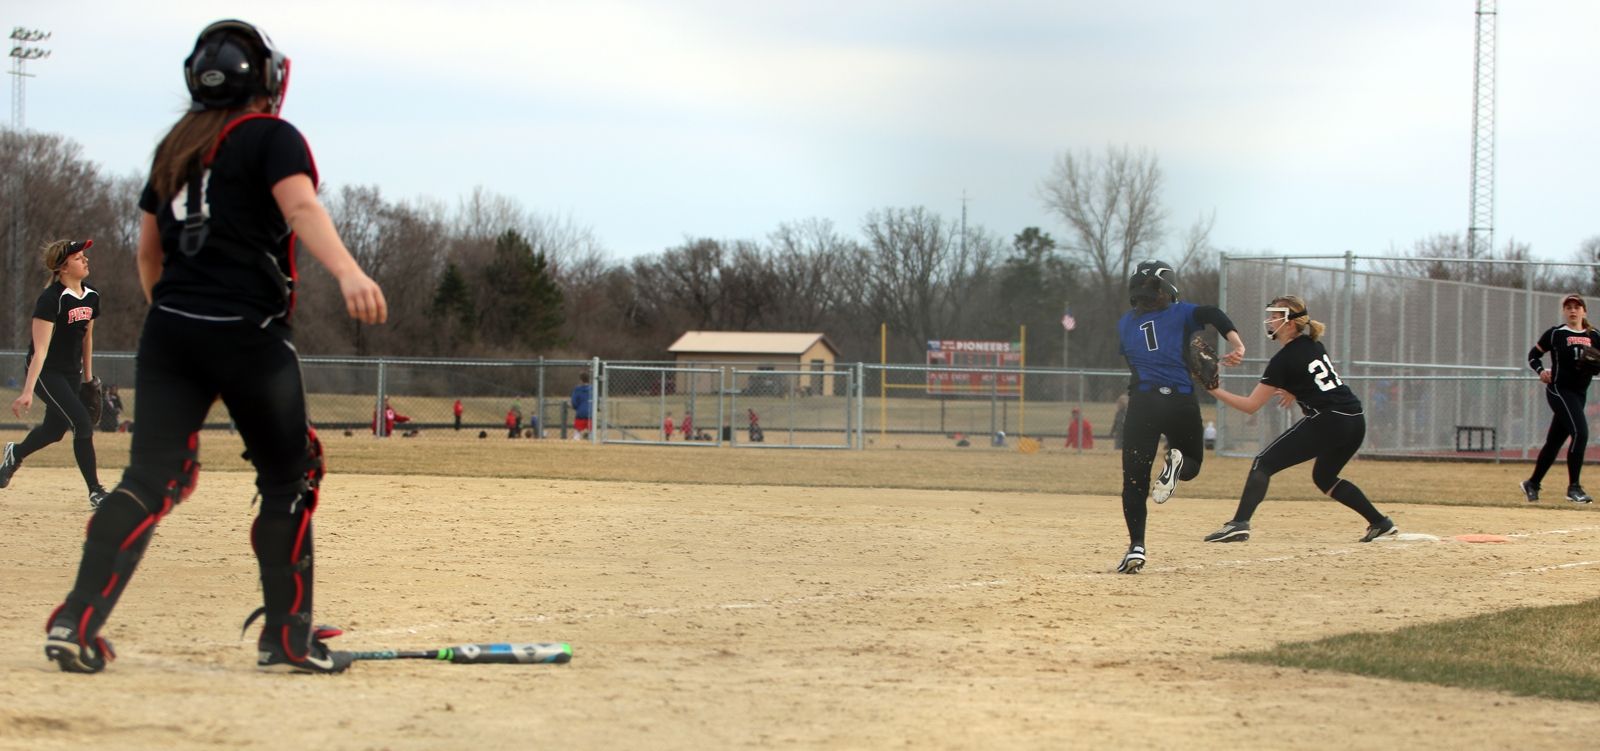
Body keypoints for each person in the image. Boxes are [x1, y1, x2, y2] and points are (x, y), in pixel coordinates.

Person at [42, 20, 387, 675]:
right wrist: (349, 271)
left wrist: (175, 322)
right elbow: (302, 209)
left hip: (169, 327)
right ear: (264, 80)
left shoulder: (177, 145)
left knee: (150, 479)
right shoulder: (272, 136)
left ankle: (74, 621)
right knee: (291, 475)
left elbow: (149, 252)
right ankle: (286, 636)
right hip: (249, 332)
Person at [1200, 295, 1397, 543]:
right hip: (1355, 420)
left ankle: (1238, 524)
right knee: (1324, 477)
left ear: (1290, 323)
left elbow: (1251, 406)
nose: (1270, 319)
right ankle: (1380, 522)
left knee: (1263, 463)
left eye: (1275, 315)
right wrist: (1296, 390)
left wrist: (1213, 390)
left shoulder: (1283, 360)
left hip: (1330, 420)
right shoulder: (1313, 344)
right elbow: (1317, 379)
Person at [1113, 259, 1245, 574]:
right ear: (1169, 289)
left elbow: (1137, 363)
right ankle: (1178, 463)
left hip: (1143, 403)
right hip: (1181, 402)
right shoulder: (1180, 311)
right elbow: (1212, 312)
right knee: (1193, 464)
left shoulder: (1125, 324)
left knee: (1134, 482)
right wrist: (1236, 342)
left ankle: (1137, 547)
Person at [0, 239, 110, 507]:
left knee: (54, 429)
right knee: (81, 423)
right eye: (78, 257)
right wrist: (27, 391)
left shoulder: (92, 295)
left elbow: (87, 339)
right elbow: (40, 350)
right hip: (46, 372)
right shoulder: (51, 299)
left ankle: (15, 453)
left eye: (84, 256)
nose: (85, 260)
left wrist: (88, 379)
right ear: (62, 267)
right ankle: (96, 491)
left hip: (72, 372)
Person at [1522, 293, 1598, 504]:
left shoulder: (1594, 335)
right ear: (1564, 311)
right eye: (1568, 307)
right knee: (1580, 433)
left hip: (1579, 394)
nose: (1573, 310)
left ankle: (1532, 483)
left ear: (1584, 311)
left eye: (1577, 306)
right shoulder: (1556, 334)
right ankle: (1574, 487)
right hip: (1558, 390)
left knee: (1554, 442)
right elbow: (1533, 355)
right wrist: (1540, 371)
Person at [571, 372, 593, 440]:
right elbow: (597, 401)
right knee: (591, 432)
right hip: (590, 413)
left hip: (580, 413)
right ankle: (590, 438)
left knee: (577, 432)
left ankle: (576, 440)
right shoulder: (593, 389)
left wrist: (577, 408)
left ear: (581, 380)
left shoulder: (577, 389)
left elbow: (574, 402)